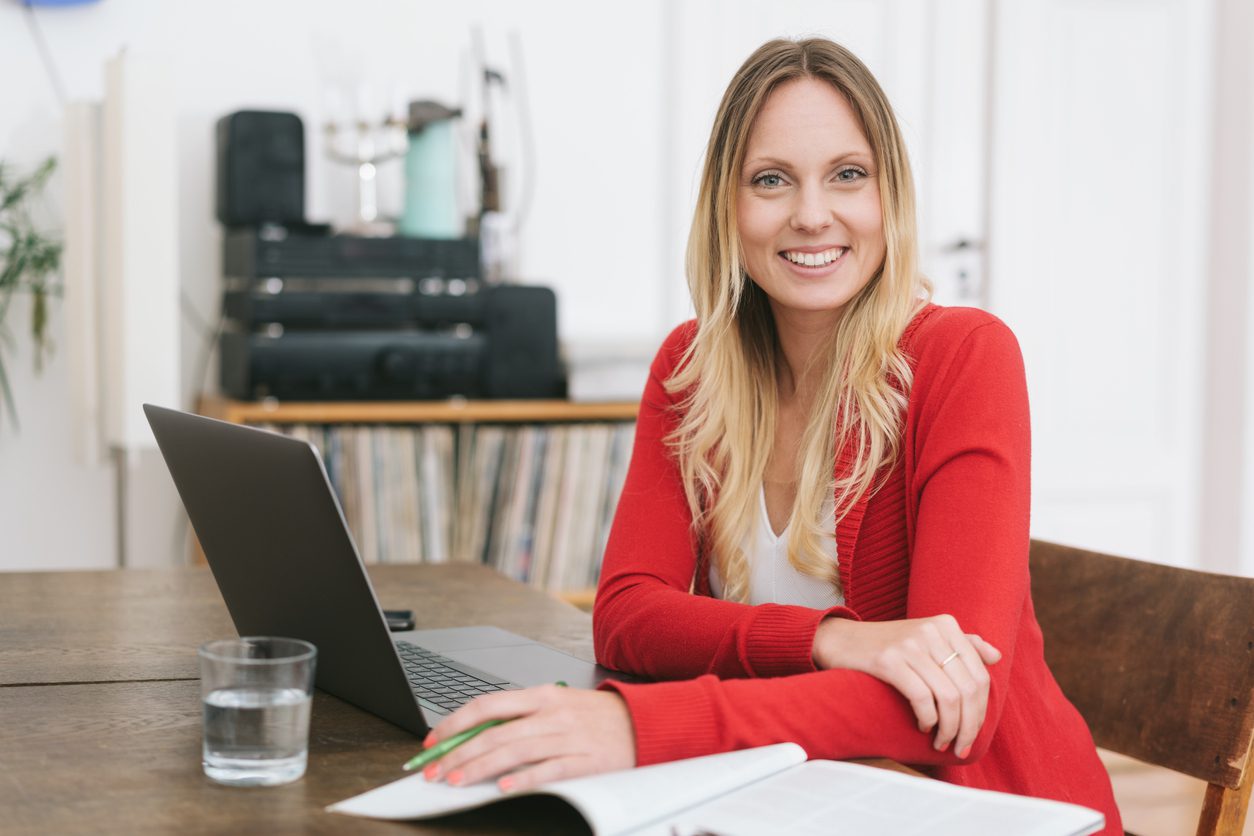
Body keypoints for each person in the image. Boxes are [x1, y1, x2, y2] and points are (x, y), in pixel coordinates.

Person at [421, 36, 1122, 832]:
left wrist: (636, 728)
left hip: (986, 810)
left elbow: (949, 705)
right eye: (771, 180)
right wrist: (830, 641)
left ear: (890, 196)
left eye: (848, 175)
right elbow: (627, 614)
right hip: (795, 797)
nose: (813, 214)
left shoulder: (964, 358)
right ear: (729, 203)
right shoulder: (689, 368)